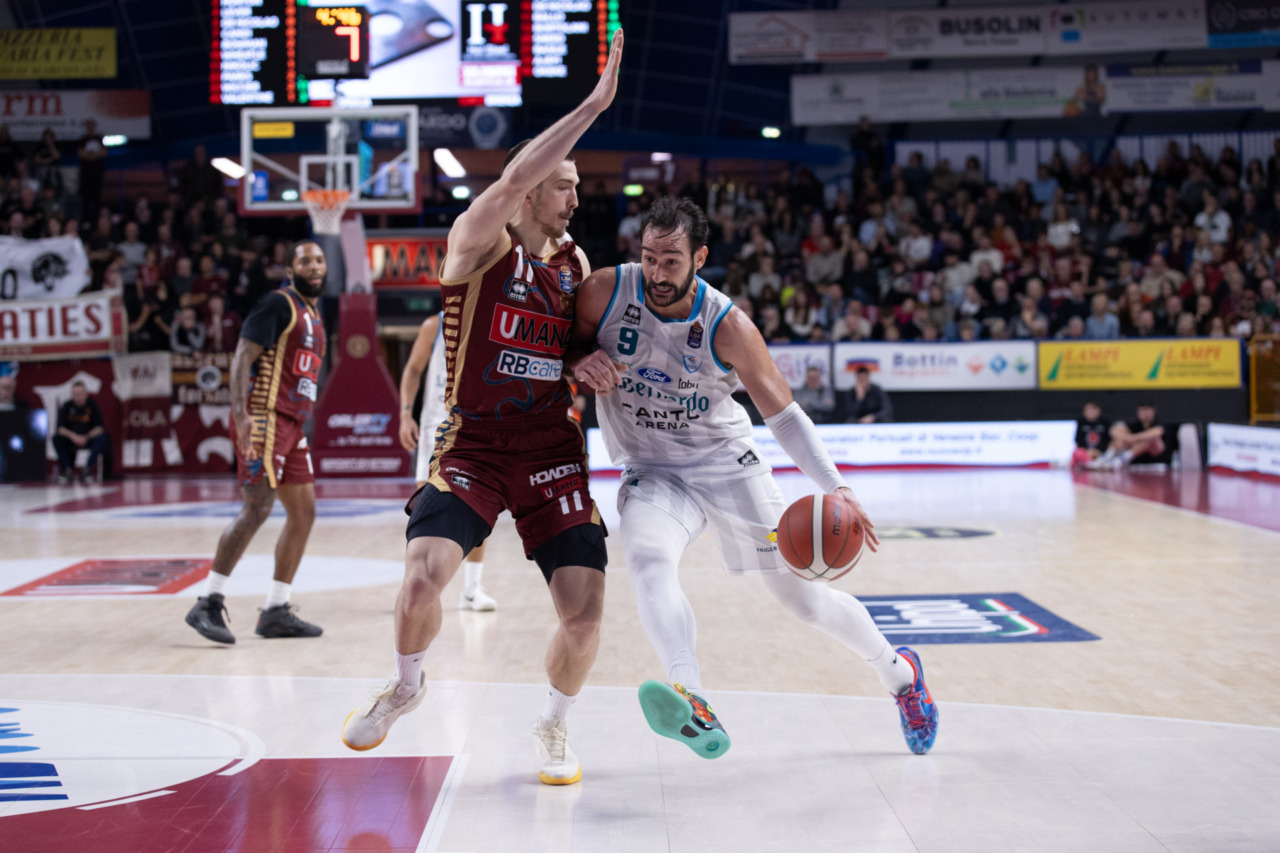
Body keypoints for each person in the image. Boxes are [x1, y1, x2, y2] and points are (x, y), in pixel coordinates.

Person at [340, 31, 625, 787]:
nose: (574, 196)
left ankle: (554, 726)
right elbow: (511, 182)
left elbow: (568, 346)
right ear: (528, 187)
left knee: (585, 611)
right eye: (562, 184)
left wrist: (580, 358)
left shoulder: (576, 264)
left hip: (552, 450)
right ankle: (406, 683)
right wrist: (594, 104)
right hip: (474, 444)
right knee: (419, 580)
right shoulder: (476, 239)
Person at [568, 196, 938, 758]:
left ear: (700, 257)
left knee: (802, 599)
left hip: (725, 464)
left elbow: (785, 416)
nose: (657, 273)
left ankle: (901, 677)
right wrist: (576, 361)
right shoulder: (603, 292)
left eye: (671, 261)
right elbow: (562, 345)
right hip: (652, 468)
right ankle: (692, 695)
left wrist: (835, 485)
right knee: (646, 558)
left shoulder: (729, 325)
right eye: (648, 258)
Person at [183, 241, 329, 645]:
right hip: (264, 417)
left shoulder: (314, 313)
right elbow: (241, 357)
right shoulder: (277, 304)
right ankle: (207, 602)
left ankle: (277, 610)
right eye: (305, 261)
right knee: (257, 508)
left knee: (305, 513)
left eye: (319, 260)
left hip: (293, 425)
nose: (314, 266)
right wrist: (241, 414)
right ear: (290, 268)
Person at [397, 313, 497, 611]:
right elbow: (413, 370)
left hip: (476, 424)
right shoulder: (434, 325)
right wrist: (405, 414)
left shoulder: (491, 321)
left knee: (481, 506)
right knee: (422, 508)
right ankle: (414, 584)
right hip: (436, 425)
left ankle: (472, 588)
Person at [53, 381, 108, 485]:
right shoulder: (67, 406)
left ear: (86, 393)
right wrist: (73, 436)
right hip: (71, 439)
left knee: (102, 438)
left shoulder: (92, 405)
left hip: (88, 438)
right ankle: (67, 470)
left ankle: (87, 469)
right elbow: (60, 428)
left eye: (80, 393)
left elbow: (100, 428)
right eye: (75, 393)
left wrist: (86, 436)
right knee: (56, 438)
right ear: (72, 394)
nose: (78, 396)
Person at [1090, 402, 1168, 470]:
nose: (1144, 413)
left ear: (1153, 411)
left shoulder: (1159, 423)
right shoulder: (1136, 424)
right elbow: (1114, 430)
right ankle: (1107, 458)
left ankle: (1121, 459)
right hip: (1136, 463)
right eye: (1142, 410)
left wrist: (1133, 438)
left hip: (1157, 463)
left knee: (1150, 439)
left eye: (1147, 410)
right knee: (1120, 432)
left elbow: (1158, 432)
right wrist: (1126, 438)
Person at [1072, 401, 1110, 468]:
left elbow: (1110, 441)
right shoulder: (1081, 422)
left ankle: (1102, 462)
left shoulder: (1105, 422)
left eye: (1093, 409)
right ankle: (1089, 464)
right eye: (1088, 409)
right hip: (1085, 453)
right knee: (1077, 453)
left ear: (1099, 410)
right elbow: (1077, 442)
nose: (1090, 411)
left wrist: (1099, 452)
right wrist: (1086, 453)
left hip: (1101, 454)